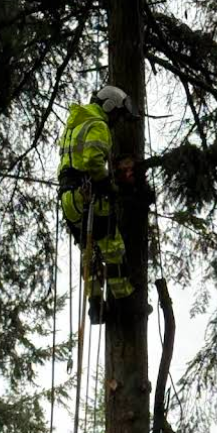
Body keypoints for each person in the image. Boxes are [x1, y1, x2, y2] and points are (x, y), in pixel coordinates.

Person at [57, 85, 140, 324]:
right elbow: (93, 160)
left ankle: (95, 306)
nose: (116, 121)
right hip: (88, 194)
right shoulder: (98, 124)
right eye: (117, 115)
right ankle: (125, 302)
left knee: (89, 249)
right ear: (110, 107)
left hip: (68, 198)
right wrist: (106, 186)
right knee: (112, 246)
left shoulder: (75, 124)